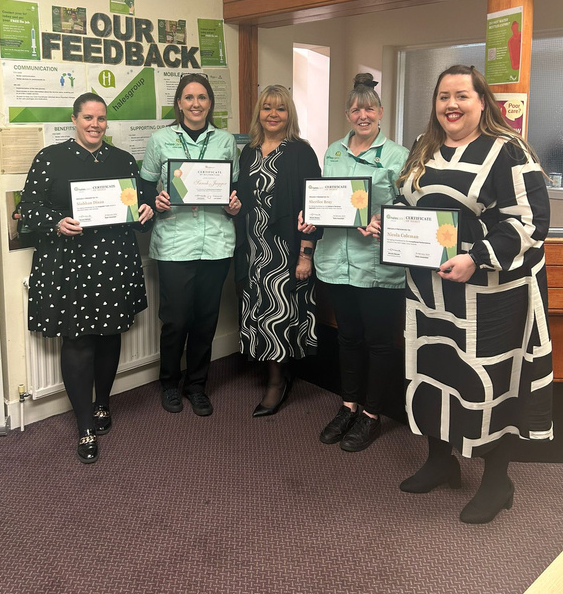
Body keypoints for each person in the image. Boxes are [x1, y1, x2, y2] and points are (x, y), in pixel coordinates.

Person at [367, 64, 553, 523]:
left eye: (462, 96)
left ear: (481, 101)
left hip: (489, 296)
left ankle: (497, 480)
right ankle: (440, 460)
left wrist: (479, 254)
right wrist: (386, 224)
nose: (451, 104)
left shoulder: (508, 150)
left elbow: (532, 222)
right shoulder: (423, 147)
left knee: (488, 381)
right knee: (433, 368)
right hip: (429, 289)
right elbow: (411, 204)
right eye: (443, 96)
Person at [20, 93, 154, 464]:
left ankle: (102, 405)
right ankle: (84, 426)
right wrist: (56, 222)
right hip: (69, 263)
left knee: (110, 336)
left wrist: (144, 211)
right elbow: (28, 209)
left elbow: (142, 206)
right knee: (77, 341)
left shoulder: (123, 159)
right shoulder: (50, 158)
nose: (95, 125)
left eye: (101, 118)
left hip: (114, 260)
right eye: (88, 118)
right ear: (75, 119)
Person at [305, 73, 409, 451]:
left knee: (379, 343)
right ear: (348, 113)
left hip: (378, 266)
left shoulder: (397, 156)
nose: (362, 115)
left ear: (380, 112)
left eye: (369, 108)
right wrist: (311, 216)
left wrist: (387, 219)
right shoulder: (333, 151)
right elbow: (324, 198)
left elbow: (411, 204)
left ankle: (371, 414)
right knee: (348, 338)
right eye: (355, 109)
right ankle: (348, 404)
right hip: (335, 261)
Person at [141, 73, 240, 417]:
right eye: (188, 97)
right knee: (176, 318)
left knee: (205, 320)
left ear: (210, 103)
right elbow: (145, 188)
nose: (195, 103)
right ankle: (169, 382)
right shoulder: (160, 140)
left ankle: (196, 385)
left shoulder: (225, 141)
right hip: (175, 241)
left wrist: (234, 204)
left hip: (216, 241)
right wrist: (158, 202)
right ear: (179, 103)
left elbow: (235, 188)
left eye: (202, 97)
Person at [235, 84, 322, 416]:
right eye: (267, 107)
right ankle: (275, 370)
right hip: (254, 249)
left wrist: (305, 254)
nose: (273, 114)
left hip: (285, 250)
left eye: (280, 108)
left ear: (289, 114)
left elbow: (313, 207)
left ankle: (277, 383)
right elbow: (242, 197)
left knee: (279, 314)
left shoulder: (300, 152)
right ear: (259, 112)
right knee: (261, 309)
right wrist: (232, 205)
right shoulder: (249, 151)